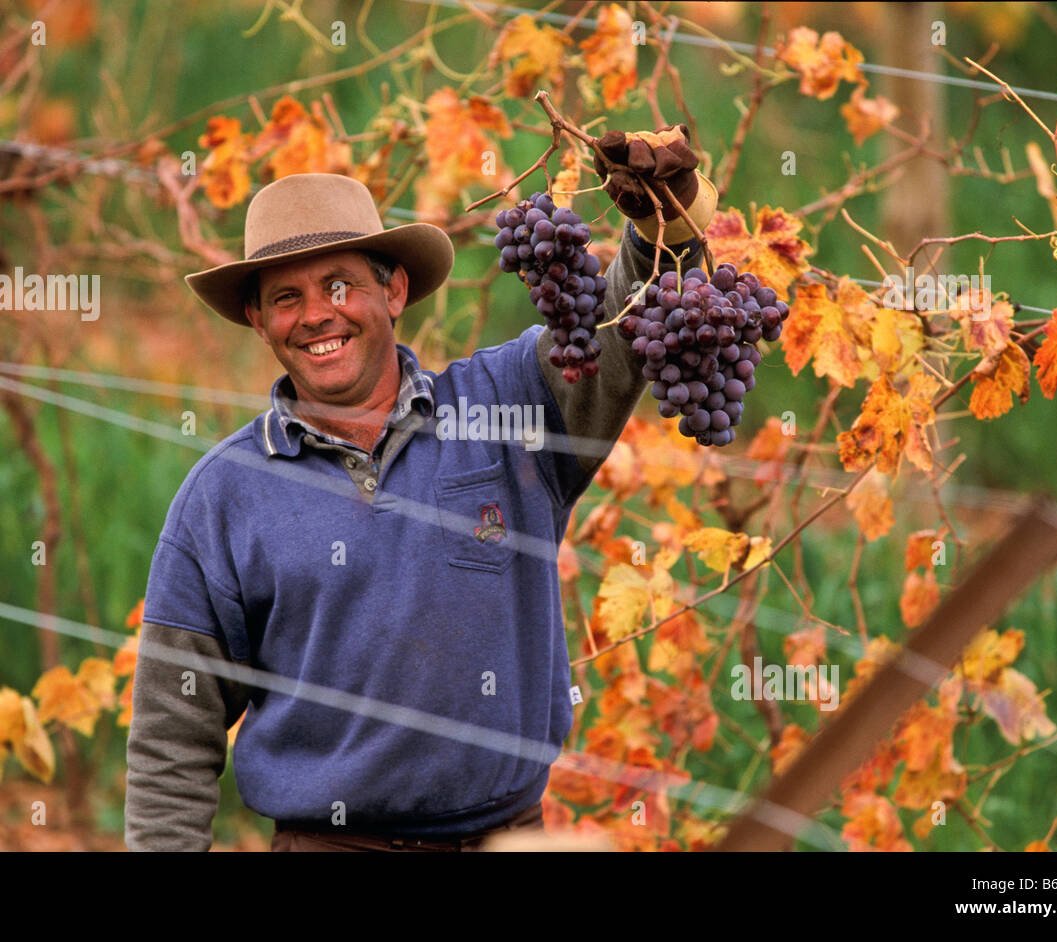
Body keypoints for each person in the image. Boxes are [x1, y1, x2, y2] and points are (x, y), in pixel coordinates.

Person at [124, 126, 717, 851]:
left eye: (339, 285)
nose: (316, 314)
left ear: (393, 289)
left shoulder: (509, 409)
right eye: (286, 297)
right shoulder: (221, 496)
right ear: (257, 319)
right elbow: (170, 740)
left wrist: (665, 220)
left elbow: (618, 333)